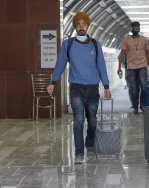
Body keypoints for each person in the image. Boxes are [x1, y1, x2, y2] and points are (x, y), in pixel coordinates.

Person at [47, 12, 111, 164]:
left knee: (93, 121)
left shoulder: (96, 44)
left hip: (93, 89)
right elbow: (60, 63)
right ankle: (79, 153)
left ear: (88, 26)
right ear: (75, 26)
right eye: (78, 24)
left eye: (84, 24)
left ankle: (89, 143)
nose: (81, 27)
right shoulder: (68, 44)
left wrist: (106, 86)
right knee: (78, 121)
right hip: (76, 88)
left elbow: (101, 65)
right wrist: (53, 82)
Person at [118, 21, 149, 114]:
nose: (135, 30)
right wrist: (119, 66)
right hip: (131, 67)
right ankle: (135, 106)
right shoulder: (126, 40)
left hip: (142, 66)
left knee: (144, 87)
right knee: (134, 89)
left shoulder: (144, 40)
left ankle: (142, 104)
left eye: (137, 28)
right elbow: (122, 53)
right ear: (131, 29)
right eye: (134, 28)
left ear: (139, 28)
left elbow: (147, 54)